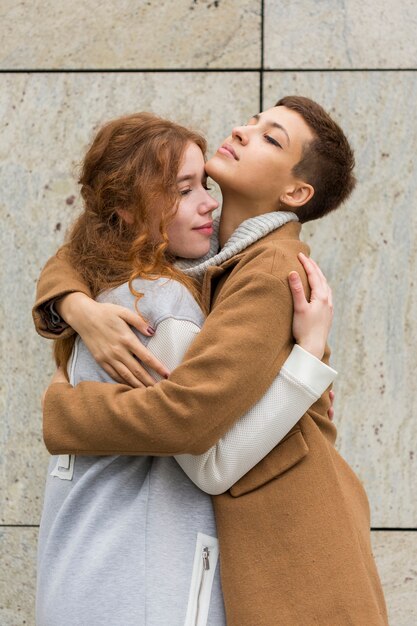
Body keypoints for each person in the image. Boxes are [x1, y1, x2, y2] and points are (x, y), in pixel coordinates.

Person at [34, 97, 388, 625]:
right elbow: (99, 234)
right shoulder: (210, 245)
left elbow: (190, 425)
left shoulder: (272, 270)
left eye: (271, 137)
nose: (245, 132)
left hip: (293, 524)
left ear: (294, 192)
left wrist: (65, 413)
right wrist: (75, 305)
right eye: (254, 120)